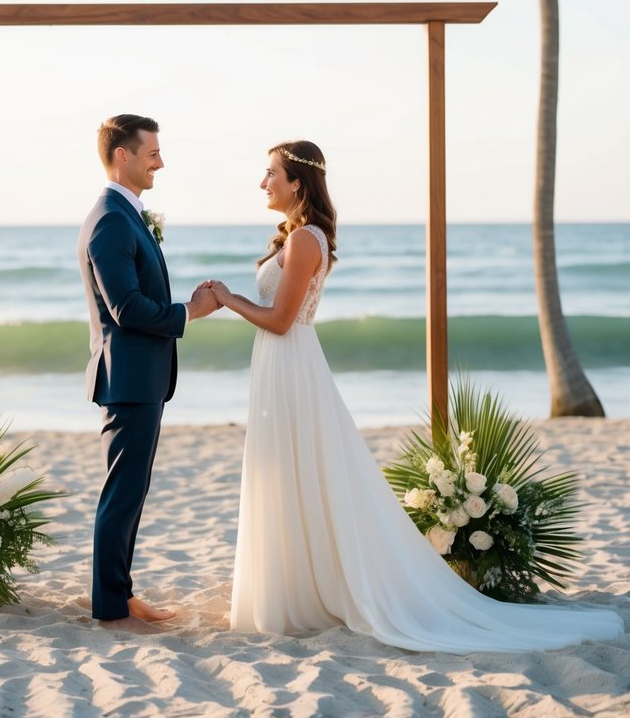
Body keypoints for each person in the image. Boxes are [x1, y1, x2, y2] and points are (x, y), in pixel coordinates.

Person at [204, 141, 624, 652]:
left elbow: (281, 319)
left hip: (290, 363)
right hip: (282, 365)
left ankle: (302, 594)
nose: (262, 182)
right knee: (287, 472)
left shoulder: (304, 241)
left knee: (297, 470)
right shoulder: (299, 237)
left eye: (270, 173)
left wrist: (227, 298)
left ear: (297, 182)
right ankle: (292, 588)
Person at [78, 114, 219, 628]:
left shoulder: (126, 213)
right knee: (122, 493)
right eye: (152, 152)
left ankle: (120, 593)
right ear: (123, 155)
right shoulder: (111, 218)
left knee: (130, 491)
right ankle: (112, 606)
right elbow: (127, 309)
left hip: (141, 378)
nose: (160, 161)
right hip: (129, 378)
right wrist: (190, 312)